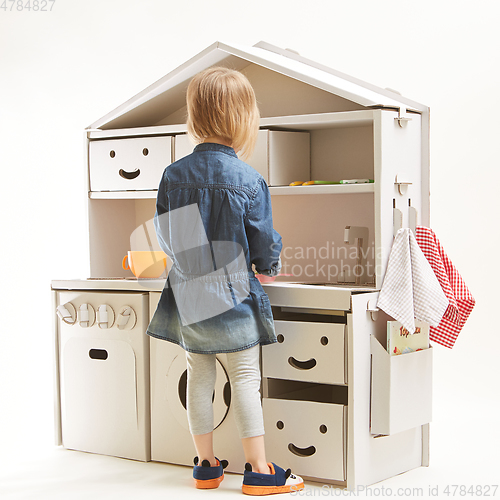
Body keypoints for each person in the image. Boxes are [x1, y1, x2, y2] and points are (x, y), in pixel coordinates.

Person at [146, 66, 304, 495]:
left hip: (190, 296)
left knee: (199, 377)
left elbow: (167, 236)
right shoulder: (249, 180)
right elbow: (263, 245)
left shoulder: (172, 176)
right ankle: (259, 469)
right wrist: (269, 265)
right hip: (233, 296)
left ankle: (206, 465)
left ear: (196, 116)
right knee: (246, 379)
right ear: (243, 118)